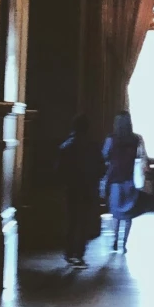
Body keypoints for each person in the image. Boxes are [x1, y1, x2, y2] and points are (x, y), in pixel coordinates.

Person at [56, 113, 104, 267]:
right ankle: (80, 254)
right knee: (84, 222)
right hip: (88, 188)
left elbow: (59, 171)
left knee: (71, 221)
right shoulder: (93, 146)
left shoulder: (66, 146)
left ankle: (69, 252)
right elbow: (101, 168)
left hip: (72, 189)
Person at [101, 110, 147, 254]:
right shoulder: (136, 139)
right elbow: (143, 156)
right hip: (129, 179)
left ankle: (115, 240)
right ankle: (124, 244)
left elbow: (104, 155)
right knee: (128, 214)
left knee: (116, 213)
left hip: (114, 179)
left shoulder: (111, 139)